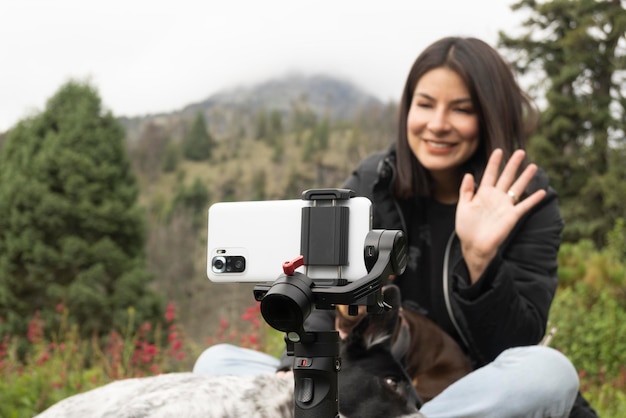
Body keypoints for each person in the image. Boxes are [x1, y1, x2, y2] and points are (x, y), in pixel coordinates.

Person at [194, 37, 593, 417]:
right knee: (217, 363)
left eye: (461, 109)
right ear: (407, 110)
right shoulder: (373, 184)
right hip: (365, 381)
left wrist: (480, 262)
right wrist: (290, 367)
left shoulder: (526, 202)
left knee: (549, 373)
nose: (437, 124)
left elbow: (513, 345)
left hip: (471, 390)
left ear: (490, 117)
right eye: (425, 104)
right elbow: (314, 285)